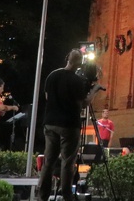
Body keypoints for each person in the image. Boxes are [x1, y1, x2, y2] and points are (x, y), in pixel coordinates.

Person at [37, 49, 99, 201]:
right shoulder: (77, 81)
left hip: (50, 123)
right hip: (69, 125)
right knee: (68, 162)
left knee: (48, 162)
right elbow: (83, 104)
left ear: (67, 59)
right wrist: (94, 91)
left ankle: (42, 197)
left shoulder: (53, 75)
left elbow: (47, 96)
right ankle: (67, 196)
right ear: (79, 64)